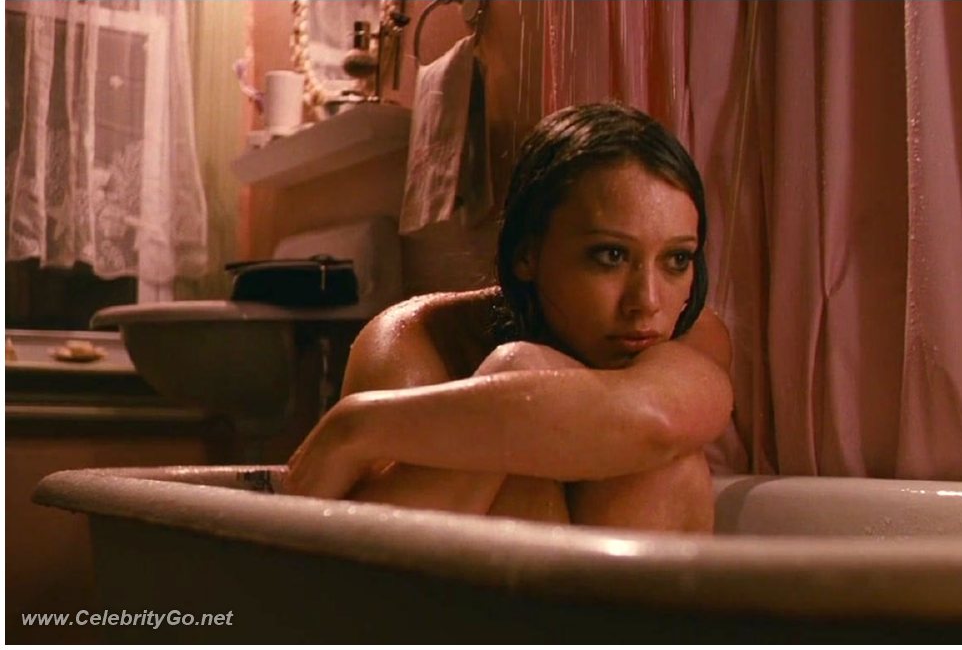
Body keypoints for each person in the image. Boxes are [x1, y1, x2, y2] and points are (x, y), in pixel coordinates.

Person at [283, 102, 733, 532]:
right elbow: (365, 553)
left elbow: (657, 424)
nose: (647, 302)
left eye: (677, 260)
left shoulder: (691, 334)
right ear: (526, 254)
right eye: (610, 255)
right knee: (519, 425)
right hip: (454, 587)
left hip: (612, 585)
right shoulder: (416, 340)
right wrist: (510, 391)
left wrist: (358, 426)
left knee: (660, 462)